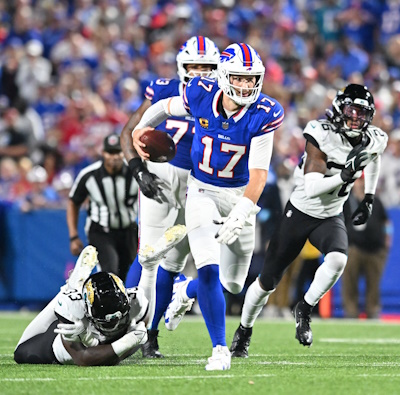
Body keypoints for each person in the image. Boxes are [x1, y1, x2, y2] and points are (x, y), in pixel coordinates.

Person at [132, 43, 284, 370]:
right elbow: (164, 107)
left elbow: (259, 175)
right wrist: (140, 130)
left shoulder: (263, 112)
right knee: (207, 266)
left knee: (233, 283)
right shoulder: (200, 92)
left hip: (241, 195)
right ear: (224, 76)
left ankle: (187, 290)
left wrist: (243, 212)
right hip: (201, 190)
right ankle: (219, 349)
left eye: (251, 78)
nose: (245, 86)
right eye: (239, 78)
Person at [229, 84, 387, 357]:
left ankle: (304, 307)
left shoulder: (374, 137)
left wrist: (369, 196)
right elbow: (313, 186)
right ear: (339, 109)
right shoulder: (320, 133)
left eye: (362, 113)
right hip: (300, 212)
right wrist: (344, 177)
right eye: (351, 110)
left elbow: (372, 158)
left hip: (330, 214)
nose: (355, 118)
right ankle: (244, 330)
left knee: (338, 259)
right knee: (267, 282)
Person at [120, 36, 220, 358]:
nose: (201, 73)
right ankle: (129, 327)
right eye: (195, 66)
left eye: (208, 67)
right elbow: (129, 133)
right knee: (147, 255)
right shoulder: (164, 90)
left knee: (178, 263)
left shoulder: (225, 98)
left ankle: (151, 330)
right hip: (161, 178)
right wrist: (138, 170)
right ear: (182, 66)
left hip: (199, 184)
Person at [14, 246, 149, 366]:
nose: (112, 324)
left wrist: (150, 270)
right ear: (87, 309)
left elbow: (144, 327)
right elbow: (83, 359)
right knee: (20, 352)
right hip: (66, 341)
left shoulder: (136, 301)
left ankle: (72, 286)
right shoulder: (73, 309)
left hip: (92, 338)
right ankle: (69, 288)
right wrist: (129, 341)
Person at [67, 133, 138, 282]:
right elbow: (73, 202)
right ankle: (108, 304)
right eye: (110, 152)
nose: (114, 157)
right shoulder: (89, 175)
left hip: (129, 230)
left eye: (118, 152)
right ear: (103, 153)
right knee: (110, 272)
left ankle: (127, 305)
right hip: (101, 231)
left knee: (130, 274)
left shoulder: (134, 172)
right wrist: (73, 236)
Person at [342, 176, 392, 319]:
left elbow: (386, 222)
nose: (361, 184)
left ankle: (373, 310)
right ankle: (351, 312)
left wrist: (387, 242)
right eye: (359, 181)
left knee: (374, 284)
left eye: (363, 181)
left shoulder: (376, 202)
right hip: (355, 247)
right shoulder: (347, 202)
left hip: (375, 249)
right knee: (350, 282)